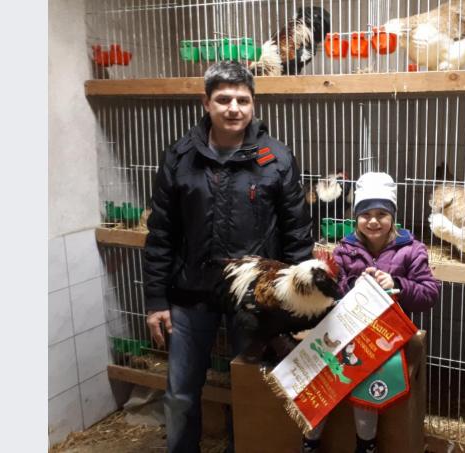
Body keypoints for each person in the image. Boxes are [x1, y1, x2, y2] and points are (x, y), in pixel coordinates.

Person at [142, 60, 313, 453]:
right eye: (223, 99)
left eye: (242, 99)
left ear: (254, 104)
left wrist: (295, 302)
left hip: (255, 299)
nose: (233, 108)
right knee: (181, 393)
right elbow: (161, 233)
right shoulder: (179, 158)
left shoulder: (276, 158)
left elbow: (297, 234)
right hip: (190, 294)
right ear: (206, 103)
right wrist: (155, 300)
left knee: (252, 388)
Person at [301, 172, 441, 453]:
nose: (373, 220)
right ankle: (310, 441)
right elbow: (334, 289)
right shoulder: (345, 248)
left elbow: (429, 293)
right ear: (356, 217)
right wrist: (352, 285)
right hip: (345, 330)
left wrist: (396, 284)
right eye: (365, 214)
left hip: (383, 336)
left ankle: (366, 444)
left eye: (381, 213)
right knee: (319, 376)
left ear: (393, 216)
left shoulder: (411, 250)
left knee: (364, 379)